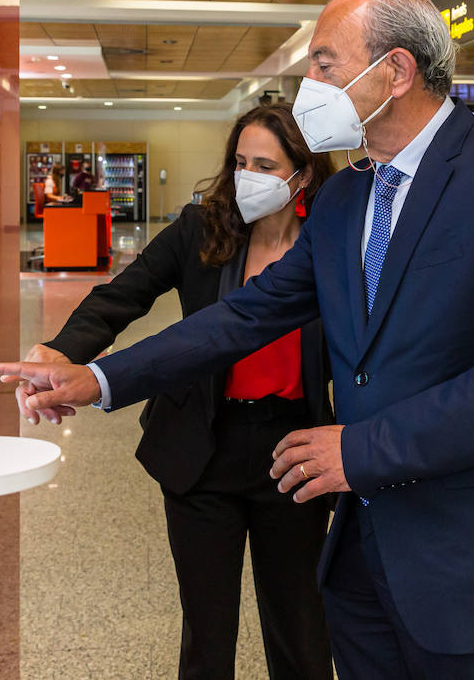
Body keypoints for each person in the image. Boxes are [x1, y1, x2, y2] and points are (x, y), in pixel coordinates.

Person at [0, 0, 474, 679]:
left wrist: (360, 450)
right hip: (365, 555)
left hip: (471, 553)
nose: (309, 84)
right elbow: (246, 314)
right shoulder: (347, 197)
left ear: (396, 71)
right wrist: (97, 377)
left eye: (324, 64)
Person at [22, 104, 335, 679]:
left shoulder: (333, 244)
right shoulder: (203, 227)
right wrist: (63, 350)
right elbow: (125, 294)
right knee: (206, 627)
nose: (247, 176)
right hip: (202, 445)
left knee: (300, 623)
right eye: (240, 162)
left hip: (294, 448)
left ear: (304, 174)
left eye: (265, 165)